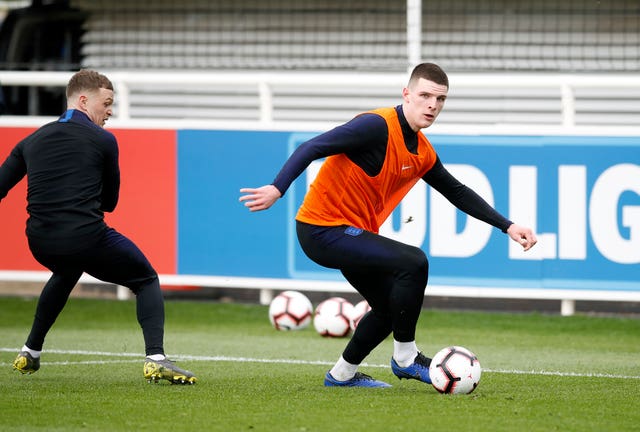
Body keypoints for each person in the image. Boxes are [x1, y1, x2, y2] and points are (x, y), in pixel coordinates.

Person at [239, 63, 537, 388]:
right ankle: (406, 358)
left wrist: (506, 226)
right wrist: (277, 188)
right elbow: (312, 147)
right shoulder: (375, 126)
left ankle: (341, 376)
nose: (432, 105)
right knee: (414, 261)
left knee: (388, 307)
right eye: (424, 95)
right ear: (406, 95)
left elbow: (457, 192)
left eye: (440, 99)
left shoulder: (422, 151)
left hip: (349, 233)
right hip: (320, 229)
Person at [0, 69, 196, 385]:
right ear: (82, 99)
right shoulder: (103, 140)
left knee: (67, 270)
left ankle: (30, 351)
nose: (109, 112)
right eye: (106, 103)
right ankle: (156, 358)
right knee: (146, 279)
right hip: (83, 236)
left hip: (39, 240)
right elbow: (110, 203)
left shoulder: (31, 141)